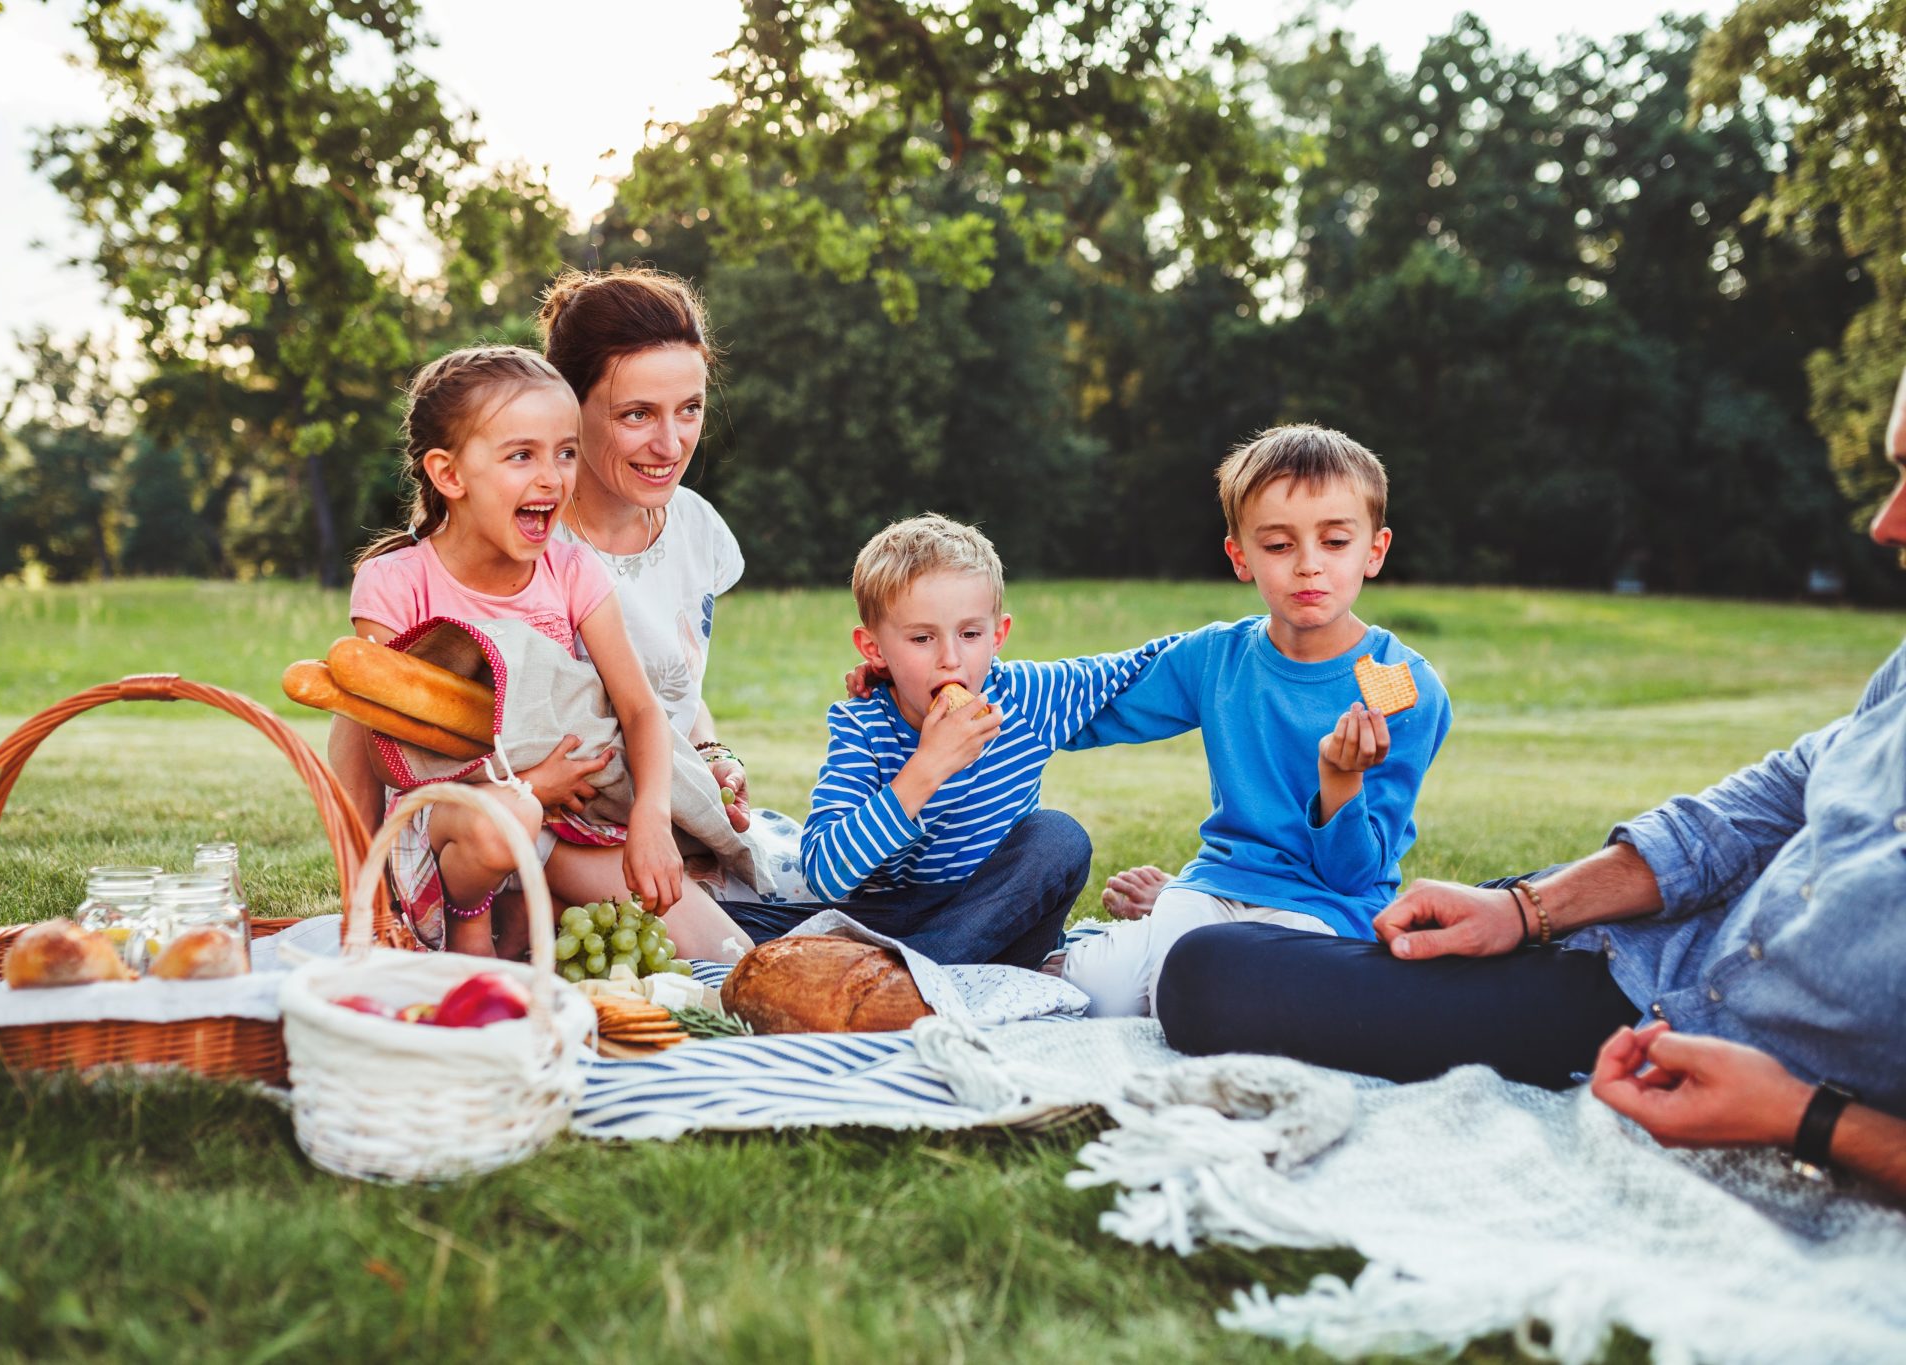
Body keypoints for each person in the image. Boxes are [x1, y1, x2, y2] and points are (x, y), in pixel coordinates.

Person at [1150, 364, 1906, 1197]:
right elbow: (1746, 816)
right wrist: (1522, 909)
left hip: (1689, 1035)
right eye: (1894, 473)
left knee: (1207, 974)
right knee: (1222, 958)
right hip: (1623, 951)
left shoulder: (1404, 677)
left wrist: (1804, 1117)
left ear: (1374, 549)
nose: (1883, 524)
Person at [335, 345, 753, 961]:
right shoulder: (396, 584)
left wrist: (651, 821)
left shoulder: (570, 570)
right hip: (452, 820)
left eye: (565, 453)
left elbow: (639, 711)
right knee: (506, 819)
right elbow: (376, 743)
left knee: (728, 953)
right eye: (521, 455)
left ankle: (532, 915)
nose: (552, 478)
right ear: (449, 475)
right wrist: (532, 784)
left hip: (569, 823)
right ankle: (472, 923)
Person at [1054, 424, 1452, 1016]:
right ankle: (1151, 921)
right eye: (1279, 545)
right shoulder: (1218, 658)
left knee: (1236, 1001)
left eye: (1336, 541)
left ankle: (1159, 921)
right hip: (1218, 884)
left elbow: (1353, 875)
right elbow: (1087, 701)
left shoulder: (1408, 689)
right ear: (1241, 556)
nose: (1309, 566)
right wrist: (949, 681)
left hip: (1319, 910)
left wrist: (1340, 782)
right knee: (1099, 998)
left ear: (1375, 550)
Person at [736, 513, 1175, 967]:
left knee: (1060, 836)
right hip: (889, 919)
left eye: (970, 634)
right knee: (724, 924)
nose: (951, 660)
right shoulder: (863, 725)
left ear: (998, 635)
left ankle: (911, 978)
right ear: (873, 650)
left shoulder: (1025, 696)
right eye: (922, 638)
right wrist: (926, 768)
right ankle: (914, 971)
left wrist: (1253, 632)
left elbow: (1147, 665)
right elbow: (825, 874)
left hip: (998, 916)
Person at [537, 268, 754, 835]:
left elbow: (675, 690)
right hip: (561, 830)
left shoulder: (697, 526)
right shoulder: (528, 543)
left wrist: (712, 751)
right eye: (637, 414)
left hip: (669, 817)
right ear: (567, 405)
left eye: (689, 408)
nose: (670, 444)